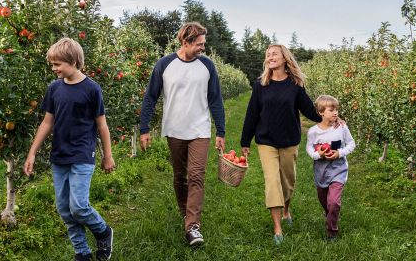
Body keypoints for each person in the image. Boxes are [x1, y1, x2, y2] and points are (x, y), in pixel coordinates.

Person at [23, 37, 116, 261]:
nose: (54, 69)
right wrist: (32, 152)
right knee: (65, 209)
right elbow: (47, 122)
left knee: (79, 206)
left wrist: (108, 155)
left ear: (74, 61)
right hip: (60, 156)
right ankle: (82, 255)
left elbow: (102, 125)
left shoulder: (92, 89)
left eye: (58, 64)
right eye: (52, 64)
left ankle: (103, 232)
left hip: (83, 155)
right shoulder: (55, 88)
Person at [139, 22, 226, 247]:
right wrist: (144, 128)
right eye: (199, 44)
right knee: (180, 176)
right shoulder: (165, 64)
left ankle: (193, 226)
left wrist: (221, 130)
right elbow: (150, 97)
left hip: (200, 129)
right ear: (185, 42)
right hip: (174, 129)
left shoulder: (207, 66)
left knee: (196, 174)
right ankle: (185, 212)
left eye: (203, 44)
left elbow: (215, 99)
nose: (202, 49)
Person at [240, 44, 321, 244]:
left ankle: (286, 210)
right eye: (268, 54)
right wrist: (245, 141)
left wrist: (332, 118)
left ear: (285, 58)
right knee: (272, 181)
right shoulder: (261, 84)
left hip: (289, 140)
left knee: (288, 182)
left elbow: (310, 111)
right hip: (266, 140)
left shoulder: (295, 84)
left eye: (274, 53)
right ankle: (277, 229)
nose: (270, 56)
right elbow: (252, 113)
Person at [306, 94, 356, 241]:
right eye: (331, 110)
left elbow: (351, 144)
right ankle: (330, 214)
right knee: (325, 202)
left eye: (336, 110)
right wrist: (318, 154)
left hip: (338, 171)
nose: (335, 113)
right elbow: (309, 149)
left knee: (333, 202)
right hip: (321, 173)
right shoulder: (313, 132)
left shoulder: (341, 127)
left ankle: (332, 230)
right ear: (321, 112)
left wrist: (339, 153)